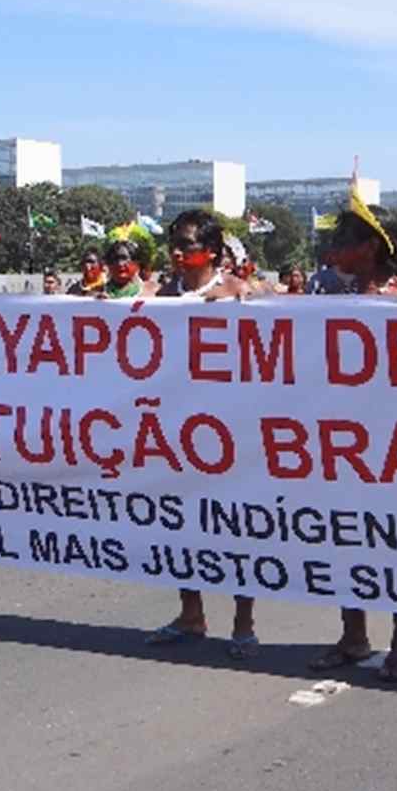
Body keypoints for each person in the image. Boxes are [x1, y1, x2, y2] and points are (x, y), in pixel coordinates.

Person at [307, 203, 397, 681]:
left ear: (371, 246)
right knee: (345, 541)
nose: (334, 249)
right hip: (343, 445)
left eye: (344, 240)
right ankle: (353, 635)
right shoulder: (334, 296)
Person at [146, 210, 255, 657]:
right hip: (174, 430)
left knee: (235, 529)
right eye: (173, 244)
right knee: (180, 525)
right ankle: (191, 614)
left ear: (210, 252)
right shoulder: (161, 295)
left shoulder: (238, 293)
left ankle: (244, 624)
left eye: (186, 245)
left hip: (229, 429)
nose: (176, 252)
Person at [99, 223, 156, 298]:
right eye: (115, 259)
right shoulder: (96, 293)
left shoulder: (152, 292)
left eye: (124, 258)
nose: (120, 264)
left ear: (136, 263)